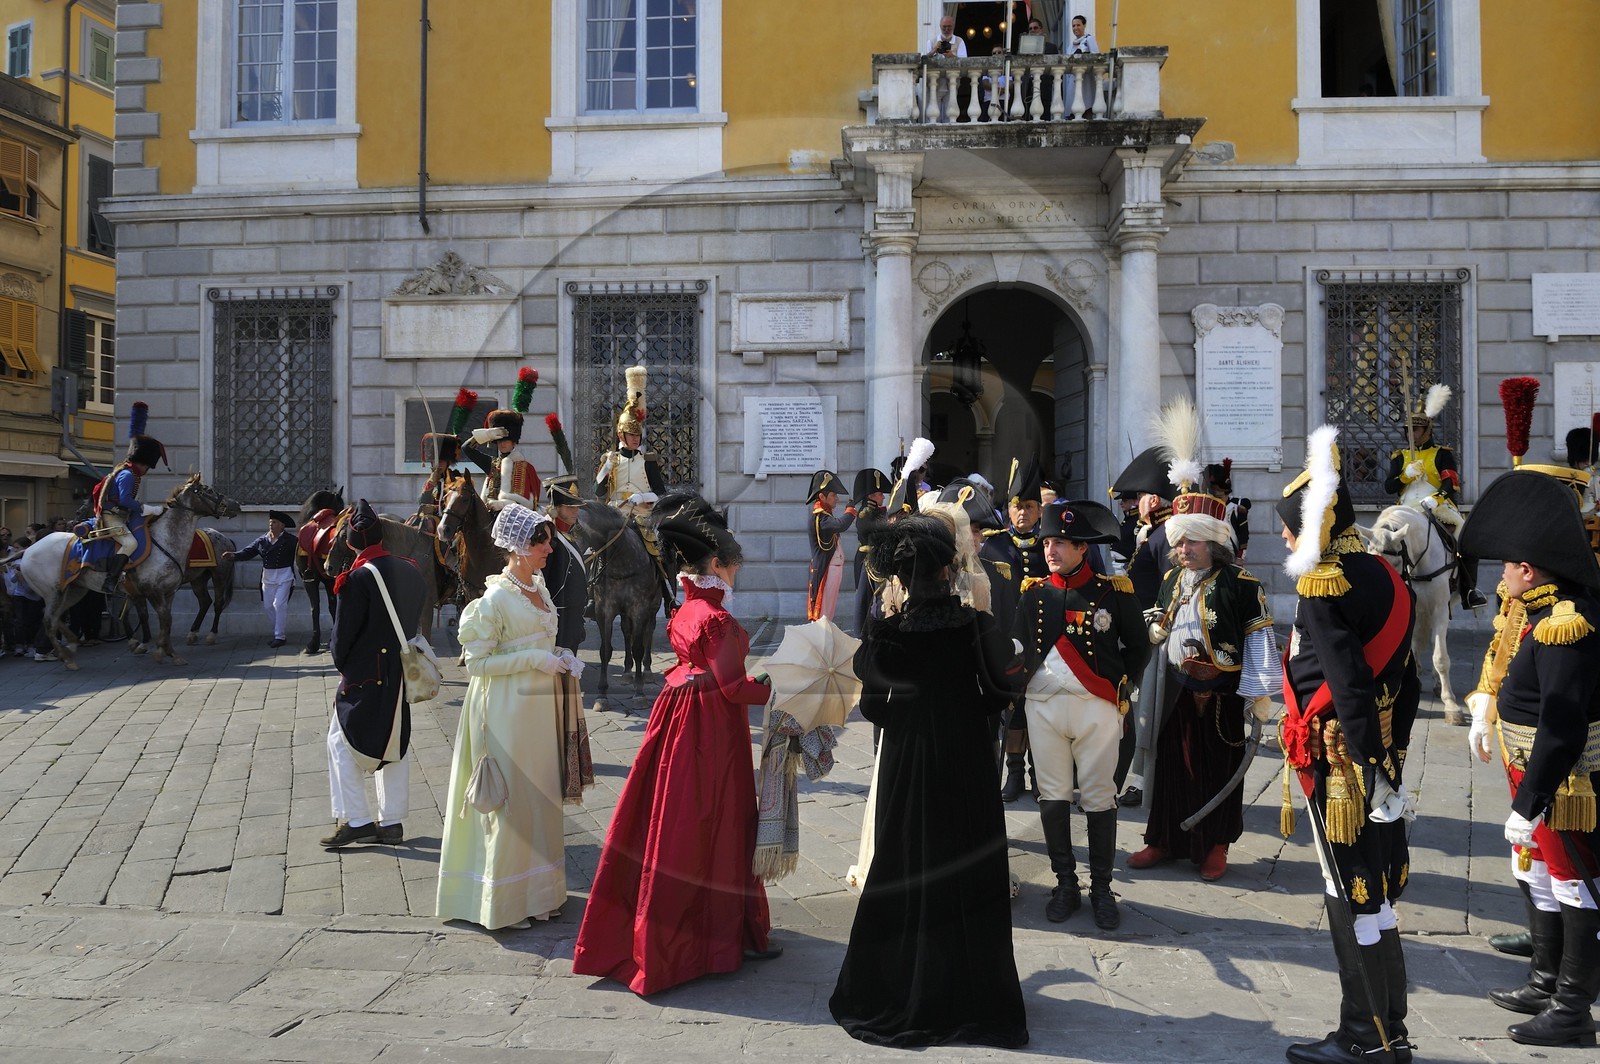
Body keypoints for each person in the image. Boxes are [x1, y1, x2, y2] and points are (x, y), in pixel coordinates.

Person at [830, 515, 1028, 1049]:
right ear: (948, 567)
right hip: (964, 757)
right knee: (966, 863)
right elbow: (998, 697)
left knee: (905, 860)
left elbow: (873, 707)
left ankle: (901, 986)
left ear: (899, 575)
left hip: (907, 759)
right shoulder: (976, 625)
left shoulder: (885, 633)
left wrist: (908, 719)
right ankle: (971, 992)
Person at [572, 493, 778, 995]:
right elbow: (733, 688)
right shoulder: (719, 620)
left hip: (678, 716)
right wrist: (772, 686)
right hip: (710, 727)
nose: (737, 572)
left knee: (670, 817)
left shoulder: (686, 609)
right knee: (712, 821)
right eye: (733, 564)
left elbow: (702, 669)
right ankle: (707, 938)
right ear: (717, 565)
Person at [1278, 426, 1419, 1064]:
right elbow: (1407, 683)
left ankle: (1366, 1038)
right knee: (1379, 893)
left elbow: (1346, 682)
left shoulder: (1323, 584)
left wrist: (1366, 766)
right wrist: (1391, 758)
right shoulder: (1385, 574)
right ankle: (1392, 1028)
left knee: (1350, 891)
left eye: (1290, 528)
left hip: (1342, 762)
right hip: (1379, 753)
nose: (1285, 539)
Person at [1459, 469, 1600, 1050]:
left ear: (1529, 569)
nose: (1499, 575)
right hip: (1531, 770)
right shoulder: (1538, 612)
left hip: (1562, 781)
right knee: (1537, 872)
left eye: (1506, 565)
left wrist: (1531, 798)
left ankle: (1573, 1009)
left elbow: (1563, 723)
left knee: (1575, 881)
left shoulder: (1564, 623)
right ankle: (1546, 980)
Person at [1130, 472, 1280, 882]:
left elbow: (1260, 638)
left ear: (1213, 543)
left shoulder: (1241, 583)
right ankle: (1161, 840)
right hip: (1177, 687)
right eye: (1178, 543)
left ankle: (1216, 846)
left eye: (1190, 542)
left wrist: (1261, 694)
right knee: (1171, 767)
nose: (1181, 550)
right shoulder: (1171, 580)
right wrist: (1155, 629)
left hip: (1224, 690)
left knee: (1218, 767)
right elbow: (1155, 619)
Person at [437, 503, 576, 930]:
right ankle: (505, 900)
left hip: (540, 707)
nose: (550, 549)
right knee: (512, 802)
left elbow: (538, 639)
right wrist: (534, 657)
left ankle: (540, 895)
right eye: (542, 542)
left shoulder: (540, 588)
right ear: (516, 547)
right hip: (505, 711)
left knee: (540, 799)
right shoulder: (493, 600)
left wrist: (559, 655)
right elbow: (476, 664)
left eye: (549, 541)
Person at [1012, 499, 1148, 930]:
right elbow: (1018, 648)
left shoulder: (1113, 591)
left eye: (1060, 543)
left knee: (1098, 796)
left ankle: (1103, 888)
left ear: (1082, 547)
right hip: (1044, 706)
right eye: (1047, 541)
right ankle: (1065, 883)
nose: (1050, 549)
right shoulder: (1033, 593)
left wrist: (1120, 687)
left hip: (1096, 708)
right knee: (1051, 795)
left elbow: (1139, 647)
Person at [321, 500, 426, 850]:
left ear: (350, 543)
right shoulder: (411, 568)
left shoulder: (355, 579)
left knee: (340, 743)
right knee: (395, 742)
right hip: (402, 671)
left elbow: (341, 640)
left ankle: (358, 820)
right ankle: (392, 821)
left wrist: (345, 667)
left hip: (365, 675)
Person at [1384, 384, 1487, 609]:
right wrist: (1405, 476)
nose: (1411, 434)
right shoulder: (1399, 457)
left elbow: (1452, 484)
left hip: (1436, 505)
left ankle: (1469, 590)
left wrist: (1436, 499)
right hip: (1406, 508)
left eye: (1416, 430)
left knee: (1464, 535)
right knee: (1381, 540)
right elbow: (1389, 487)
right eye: (1408, 430)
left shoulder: (1442, 454)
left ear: (1428, 430)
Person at [983, 455, 1050, 802]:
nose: (1022, 512)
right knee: (1013, 711)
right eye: (1016, 506)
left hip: (1046, 643)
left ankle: (1041, 774)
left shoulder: (1051, 545)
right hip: (1007, 642)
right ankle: (1014, 773)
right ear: (1007, 511)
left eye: (1029, 506)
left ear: (1040, 510)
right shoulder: (993, 545)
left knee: (1042, 711)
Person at [1115, 445, 1178, 809]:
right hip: (1142, 634)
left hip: (1157, 638)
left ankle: (1143, 781)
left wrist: (1159, 626)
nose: (1135, 502)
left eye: (1139, 496)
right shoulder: (1155, 532)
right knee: (1140, 712)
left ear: (1152, 500)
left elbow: (1173, 589)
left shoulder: (1166, 533)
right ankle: (1140, 778)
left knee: (1147, 712)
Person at [594, 364, 673, 611]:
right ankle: (590, 594)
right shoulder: (610, 460)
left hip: (641, 513)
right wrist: (605, 470)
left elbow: (661, 493)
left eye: (637, 434)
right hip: (615, 512)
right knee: (594, 546)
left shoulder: (647, 460)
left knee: (659, 549)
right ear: (621, 435)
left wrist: (641, 496)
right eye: (630, 434)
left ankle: (669, 592)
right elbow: (597, 493)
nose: (635, 438)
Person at [93, 401, 168, 592]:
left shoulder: (131, 473)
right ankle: (111, 579)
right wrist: (147, 508)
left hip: (121, 515)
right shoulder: (127, 475)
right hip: (113, 516)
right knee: (130, 542)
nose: (147, 470)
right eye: (148, 466)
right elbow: (125, 500)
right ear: (141, 462)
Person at [469, 368, 541, 511]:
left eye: (506, 440)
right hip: (487, 513)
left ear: (514, 441)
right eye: (499, 440)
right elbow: (467, 449)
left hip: (512, 518)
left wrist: (501, 505)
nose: (502, 443)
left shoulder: (525, 468)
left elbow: (527, 503)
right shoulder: (492, 464)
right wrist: (488, 434)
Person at [223, 510, 298, 648]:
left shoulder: (291, 540)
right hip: (268, 577)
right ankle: (278, 631)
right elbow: (248, 552)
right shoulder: (262, 540)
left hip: (285, 575)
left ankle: (279, 636)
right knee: (268, 606)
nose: (271, 525)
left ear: (282, 525)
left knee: (279, 605)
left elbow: (301, 553)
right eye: (270, 522)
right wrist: (234, 555)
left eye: (274, 522)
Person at [543, 475, 589, 654]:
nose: (576, 511)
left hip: (573, 615)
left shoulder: (569, 534)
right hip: (559, 617)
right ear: (555, 508)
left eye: (577, 506)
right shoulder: (551, 538)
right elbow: (543, 579)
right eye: (570, 507)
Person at [806, 470, 857, 622]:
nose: (837, 498)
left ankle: (825, 641)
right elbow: (840, 525)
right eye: (833, 495)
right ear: (822, 496)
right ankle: (821, 642)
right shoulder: (820, 516)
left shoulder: (826, 514)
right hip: (826, 568)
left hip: (833, 568)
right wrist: (850, 511)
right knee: (823, 612)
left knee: (829, 610)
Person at [850, 467, 891, 635]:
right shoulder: (865, 513)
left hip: (875, 558)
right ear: (871, 496)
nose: (883, 497)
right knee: (865, 598)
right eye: (880, 494)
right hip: (867, 559)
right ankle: (861, 633)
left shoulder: (877, 512)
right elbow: (872, 527)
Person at [924, 14, 967, 122]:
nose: (946, 29)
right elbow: (924, 61)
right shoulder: (932, 42)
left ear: (953, 26)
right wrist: (933, 51)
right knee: (934, 116)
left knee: (951, 115)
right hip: (935, 83)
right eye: (944, 27)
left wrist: (952, 57)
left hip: (952, 83)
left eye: (949, 27)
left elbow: (965, 63)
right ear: (940, 26)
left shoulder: (959, 42)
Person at [1065, 14, 1099, 118]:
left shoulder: (1089, 39)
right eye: (1073, 26)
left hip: (1086, 80)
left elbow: (1096, 55)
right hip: (1073, 80)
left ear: (1084, 26)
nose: (1075, 28)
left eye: (1078, 25)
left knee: (1086, 106)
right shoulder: (1071, 45)